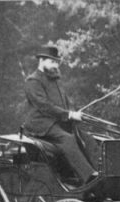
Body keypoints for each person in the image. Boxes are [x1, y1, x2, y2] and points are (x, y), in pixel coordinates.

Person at [22, 45, 98, 185]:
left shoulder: (55, 80)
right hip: (41, 125)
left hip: (58, 123)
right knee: (67, 139)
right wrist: (69, 115)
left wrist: (75, 114)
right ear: (42, 61)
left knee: (88, 139)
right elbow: (44, 106)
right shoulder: (33, 81)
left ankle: (98, 173)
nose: (55, 65)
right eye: (52, 62)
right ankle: (89, 178)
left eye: (57, 62)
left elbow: (65, 103)